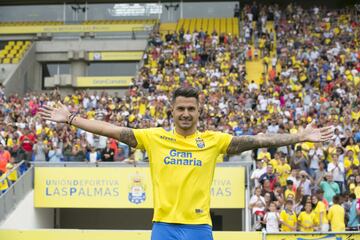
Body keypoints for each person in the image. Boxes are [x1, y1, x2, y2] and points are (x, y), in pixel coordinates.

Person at [39, 87, 334, 240]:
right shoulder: (154, 138)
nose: (185, 113)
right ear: (172, 110)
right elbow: (112, 130)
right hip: (164, 227)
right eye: (180, 108)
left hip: (198, 228)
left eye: (191, 108)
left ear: (199, 111)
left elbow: (257, 140)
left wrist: (300, 136)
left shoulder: (214, 140)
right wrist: (72, 119)